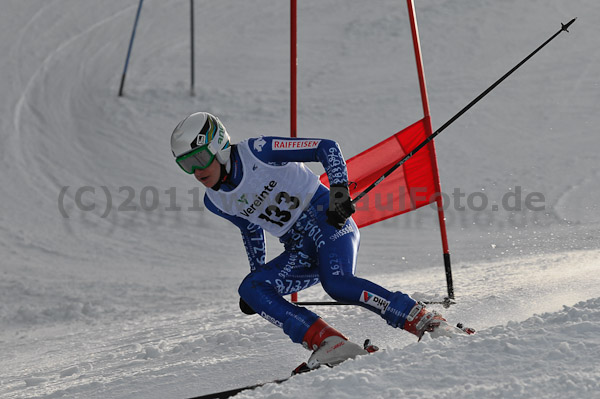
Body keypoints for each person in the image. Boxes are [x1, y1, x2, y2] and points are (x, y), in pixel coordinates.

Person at [170, 112, 447, 370]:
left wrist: (339, 190)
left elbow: (326, 147)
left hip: (326, 219)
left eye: (199, 159)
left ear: (218, 146)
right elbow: (251, 230)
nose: (196, 171)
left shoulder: (259, 150)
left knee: (337, 283)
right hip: (299, 248)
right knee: (251, 288)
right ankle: (330, 343)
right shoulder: (215, 200)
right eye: (186, 165)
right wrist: (258, 282)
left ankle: (423, 319)